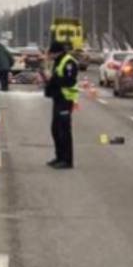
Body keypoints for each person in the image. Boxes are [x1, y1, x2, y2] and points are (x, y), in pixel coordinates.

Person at [44, 36, 79, 168]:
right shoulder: (58, 61)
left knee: (64, 130)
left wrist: (53, 79)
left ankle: (67, 160)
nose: (50, 55)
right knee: (55, 129)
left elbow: (69, 81)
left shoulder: (69, 62)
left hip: (66, 99)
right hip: (58, 99)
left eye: (51, 53)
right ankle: (59, 157)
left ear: (56, 52)